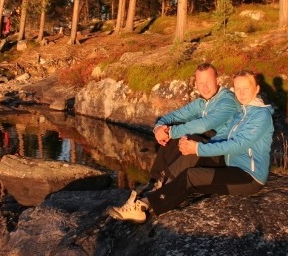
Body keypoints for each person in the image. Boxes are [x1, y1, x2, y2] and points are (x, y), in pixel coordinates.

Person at [107, 69, 274, 223]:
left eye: (246, 88)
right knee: (189, 156)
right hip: (230, 167)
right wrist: (165, 129)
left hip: (247, 177)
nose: (241, 93)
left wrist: (197, 148)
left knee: (191, 176)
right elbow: (219, 134)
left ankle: (144, 205)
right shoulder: (242, 113)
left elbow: (237, 144)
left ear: (257, 89)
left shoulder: (261, 115)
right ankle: (155, 184)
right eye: (238, 88)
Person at [139, 62, 239, 196]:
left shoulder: (227, 101)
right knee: (177, 136)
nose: (205, 87)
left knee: (191, 139)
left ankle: (167, 188)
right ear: (196, 84)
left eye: (208, 81)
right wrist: (158, 128)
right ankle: (155, 181)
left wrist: (171, 132)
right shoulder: (202, 102)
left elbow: (204, 125)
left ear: (217, 80)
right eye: (200, 83)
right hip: (207, 150)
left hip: (223, 155)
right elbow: (175, 115)